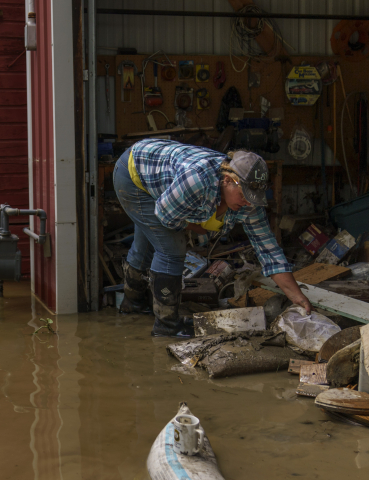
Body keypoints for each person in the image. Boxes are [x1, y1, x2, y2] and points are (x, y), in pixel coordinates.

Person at [114, 139, 312, 337]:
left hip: (160, 178)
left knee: (148, 240)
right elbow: (165, 215)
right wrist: (194, 226)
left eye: (253, 197)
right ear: (227, 180)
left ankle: (132, 304)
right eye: (244, 195)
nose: (247, 202)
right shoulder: (198, 180)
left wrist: (297, 296)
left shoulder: (249, 204)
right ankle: (166, 325)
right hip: (134, 174)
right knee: (171, 249)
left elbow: (268, 249)